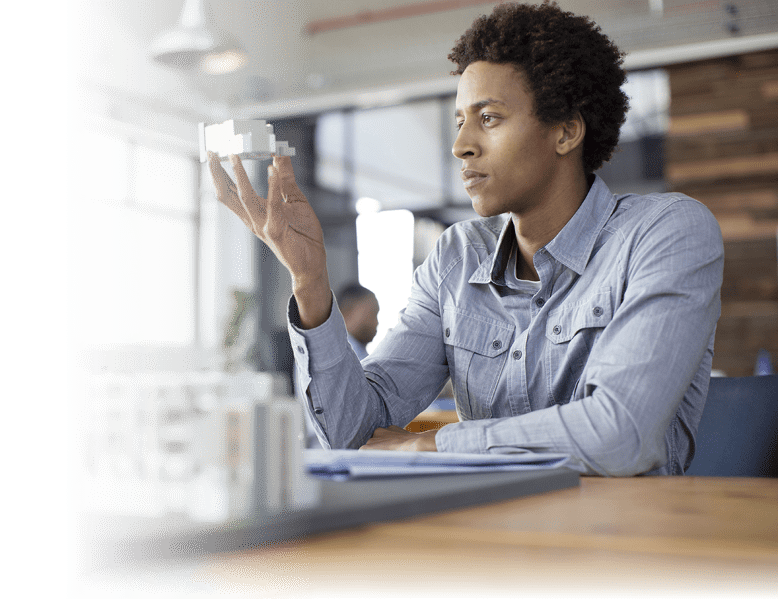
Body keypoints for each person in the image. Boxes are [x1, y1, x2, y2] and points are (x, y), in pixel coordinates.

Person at [207, 1, 723, 476]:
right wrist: (310, 279)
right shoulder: (456, 257)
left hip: (622, 552)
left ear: (566, 131)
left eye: (489, 119)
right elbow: (350, 432)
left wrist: (436, 443)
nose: (461, 146)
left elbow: (620, 434)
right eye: (459, 122)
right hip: (482, 545)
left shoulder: (666, 232)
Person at [336, 283, 380, 361]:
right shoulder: (349, 356)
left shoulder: (361, 354)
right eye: (371, 314)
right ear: (345, 314)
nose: (376, 323)